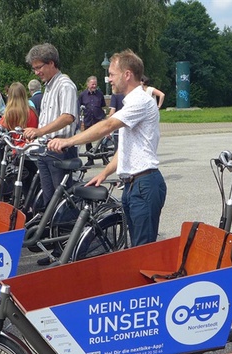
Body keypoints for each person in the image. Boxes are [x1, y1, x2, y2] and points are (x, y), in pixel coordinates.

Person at [49, 49, 166, 248]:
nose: (109, 79)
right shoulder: (131, 102)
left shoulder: (141, 100)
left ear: (127, 74)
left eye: (112, 74)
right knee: (135, 247)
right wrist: (104, 173)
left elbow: (107, 125)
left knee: (144, 250)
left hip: (144, 184)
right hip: (133, 185)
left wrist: (69, 141)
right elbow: (126, 149)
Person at [22, 43, 79, 204]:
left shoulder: (65, 85)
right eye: (34, 68)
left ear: (51, 63)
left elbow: (68, 117)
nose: (36, 72)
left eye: (38, 67)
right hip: (45, 148)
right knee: (48, 197)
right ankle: (52, 227)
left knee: (61, 199)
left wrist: (39, 131)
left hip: (60, 148)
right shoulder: (49, 86)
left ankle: (66, 227)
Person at [77, 75, 106, 166]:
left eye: (95, 84)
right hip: (88, 120)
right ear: (88, 84)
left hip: (98, 120)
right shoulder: (82, 95)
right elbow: (79, 107)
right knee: (88, 140)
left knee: (102, 140)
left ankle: (105, 158)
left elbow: (102, 106)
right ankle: (90, 159)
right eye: (92, 84)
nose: (94, 86)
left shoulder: (100, 94)